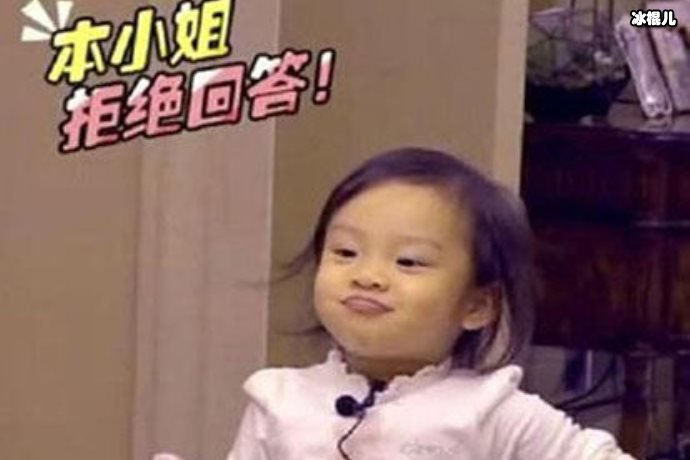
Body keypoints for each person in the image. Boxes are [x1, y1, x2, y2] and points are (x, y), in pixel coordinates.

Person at [226, 147, 636, 460]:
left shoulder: (493, 411)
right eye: (346, 252)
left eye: (408, 261)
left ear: (477, 305)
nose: (367, 276)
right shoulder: (277, 400)